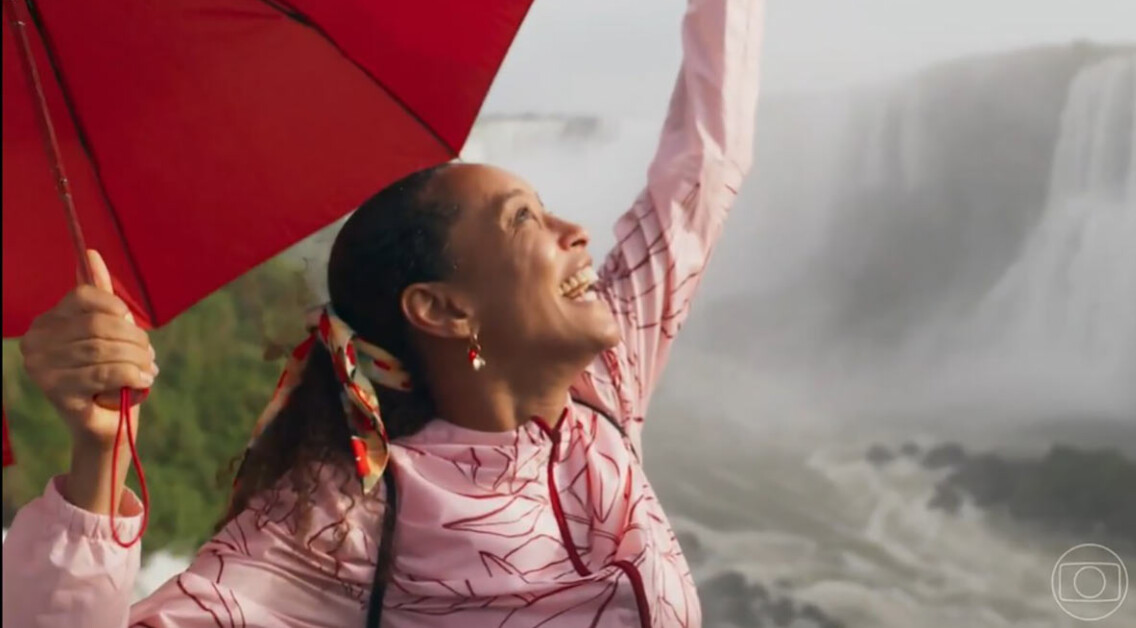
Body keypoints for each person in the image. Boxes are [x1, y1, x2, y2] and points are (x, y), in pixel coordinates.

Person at [1, 0, 762, 625]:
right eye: (524, 219)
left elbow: (704, 168)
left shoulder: (605, 384)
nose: (577, 232)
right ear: (442, 308)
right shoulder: (345, 519)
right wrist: (100, 461)